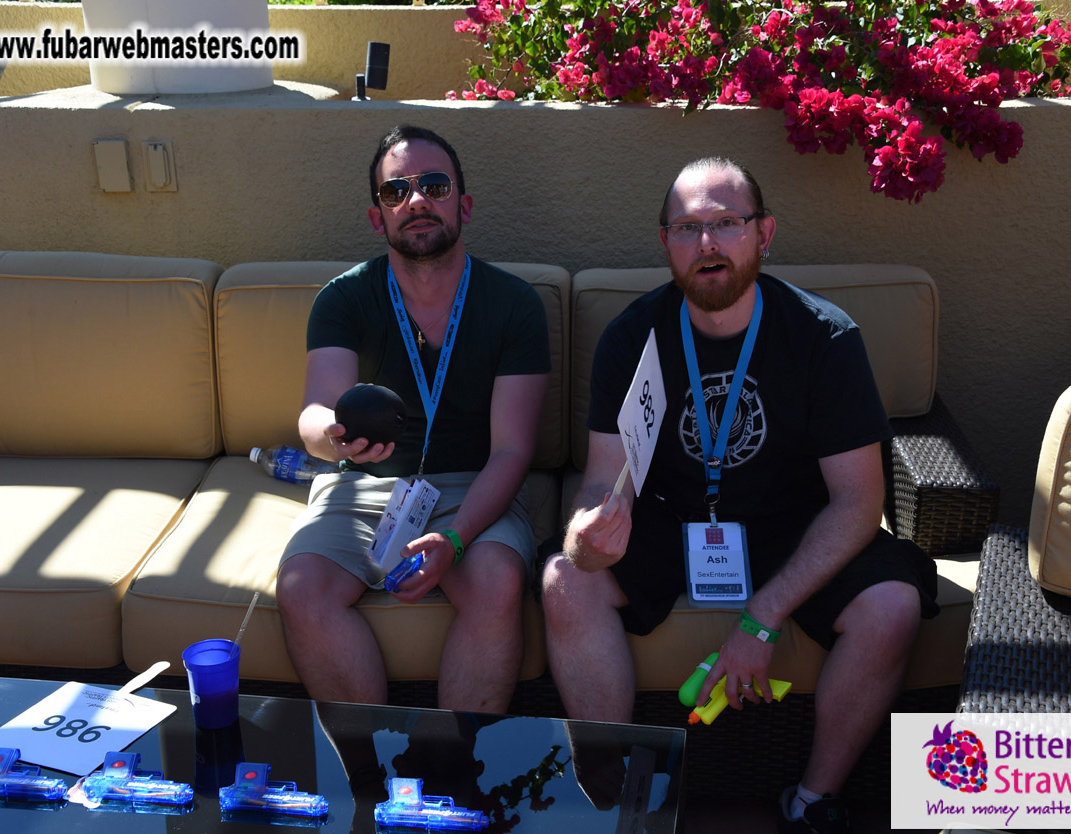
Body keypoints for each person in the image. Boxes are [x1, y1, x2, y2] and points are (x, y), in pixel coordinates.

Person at [541, 157, 939, 833]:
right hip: (673, 522)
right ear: (664, 240)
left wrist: (761, 618)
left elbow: (855, 503)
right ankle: (618, 801)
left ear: (764, 233)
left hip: (796, 522)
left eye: (726, 223)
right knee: (564, 579)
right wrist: (586, 530)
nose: (707, 244)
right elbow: (604, 478)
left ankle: (813, 801)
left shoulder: (822, 336)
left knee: (892, 606)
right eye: (687, 227)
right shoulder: (632, 335)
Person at [277, 125, 550, 713]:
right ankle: (374, 767)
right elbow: (315, 410)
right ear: (378, 218)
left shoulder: (514, 304)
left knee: (497, 584)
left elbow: (512, 452)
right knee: (302, 589)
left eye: (434, 184)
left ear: (464, 204)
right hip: (363, 483)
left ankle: (456, 773)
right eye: (395, 191)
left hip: (473, 484)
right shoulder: (343, 299)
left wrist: (455, 537)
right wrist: (333, 437)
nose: (416, 200)